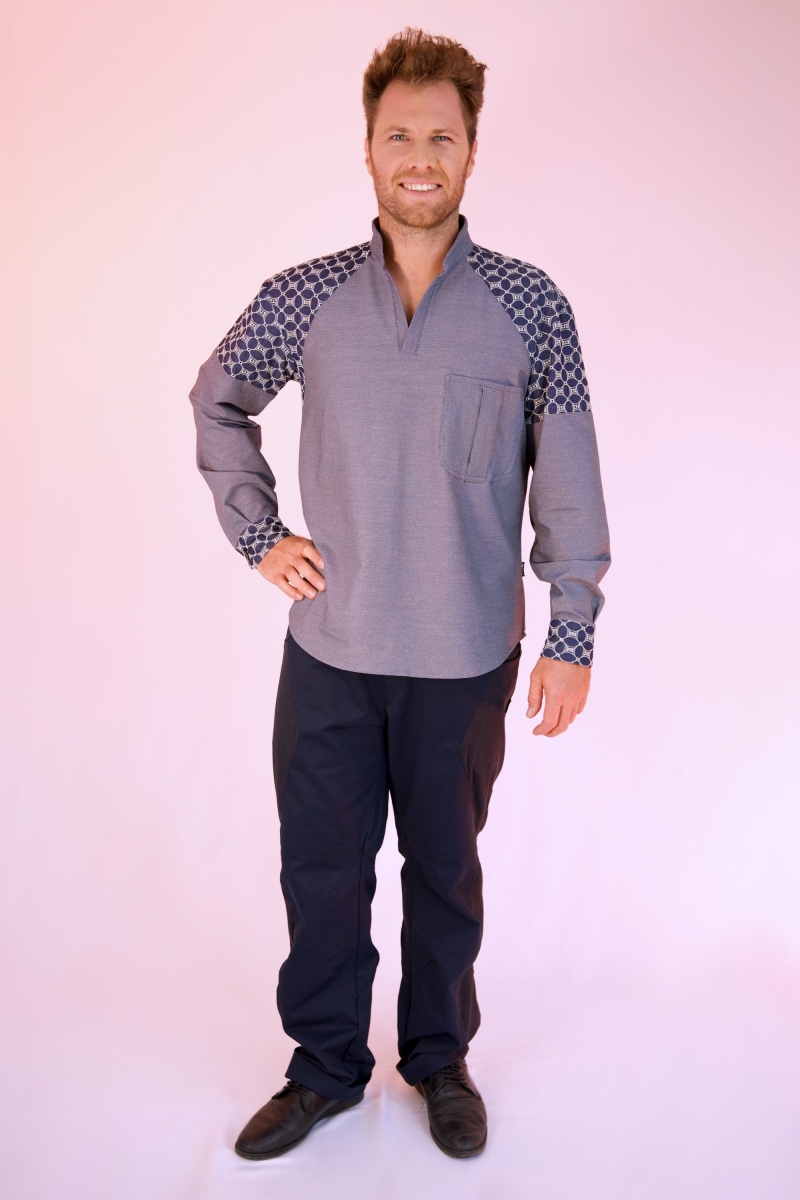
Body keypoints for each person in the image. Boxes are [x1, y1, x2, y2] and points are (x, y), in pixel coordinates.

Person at [190, 27, 610, 1161]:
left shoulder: (530, 307)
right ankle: (325, 1067)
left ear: (471, 151)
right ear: (368, 150)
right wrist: (260, 535)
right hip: (330, 650)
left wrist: (570, 630)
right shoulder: (306, 298)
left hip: (464, 658)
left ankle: (436, 1059)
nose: (419, 157)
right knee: (321, 873)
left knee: (445, 876)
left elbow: (568, 481)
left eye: (441, 137)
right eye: (398, 136)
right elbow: (216, 402)